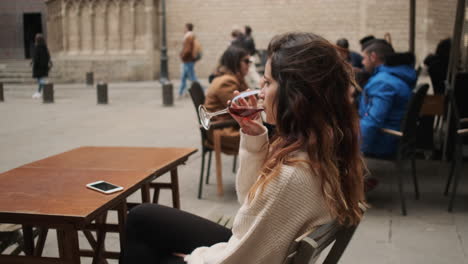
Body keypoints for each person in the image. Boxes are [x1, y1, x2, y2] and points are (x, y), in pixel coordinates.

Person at [120, 32, 366, 264]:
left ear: (296, 95)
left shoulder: (293, 174)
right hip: (256, 242)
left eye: (267, 82)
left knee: (142, 230)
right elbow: (250, 199)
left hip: (246, 253)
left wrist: (195, 256)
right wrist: (254, 136)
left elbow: (238, 258)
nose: (260, 88)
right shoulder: (323, 143)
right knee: (143, 217)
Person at [359, 39, 417, 157]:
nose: (362, 62)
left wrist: (355, 150)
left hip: (382, 142)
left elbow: (373, 121)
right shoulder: (395, 76)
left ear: (373, 56)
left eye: (364, 58)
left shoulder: (383, 83)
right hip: (391, 137)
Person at [203, 45, 250, 152]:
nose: (249, 65)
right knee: (264, 138)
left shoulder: (234, 78)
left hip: (228, 125)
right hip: (222, 130)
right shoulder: (227, 81)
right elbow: (242, 110)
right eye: (246, 61)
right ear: (235, 62)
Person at [178, 23, 199, 98]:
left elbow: (187, 50)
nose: (183, 29)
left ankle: (201, 91)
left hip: (188, 60)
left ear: (187, 28)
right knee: (184, 77)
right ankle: (182, 92)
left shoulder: (188, 37)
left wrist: (182, 56)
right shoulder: (191, 36)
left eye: (185, 28)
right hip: (188, 60)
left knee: (192, 78)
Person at [31, 33, 52, 99]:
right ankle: (39, 92)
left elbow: (36, 57)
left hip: (38, 67)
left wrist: (33, 63)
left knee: (40, 80)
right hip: (44, 66)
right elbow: (48, 56)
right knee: (41, 79)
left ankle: (46, 85)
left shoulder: (37, 47)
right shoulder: (45, 47)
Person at [243, 25, 261, 89]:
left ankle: (259, 85)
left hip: (249, 57)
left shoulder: (248, 39)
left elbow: (248, 50)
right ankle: (255, 86)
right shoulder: (249, 38)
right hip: (250, 57)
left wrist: (248, 57)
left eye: (244, 29)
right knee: (250, 73)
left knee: (252, 72)